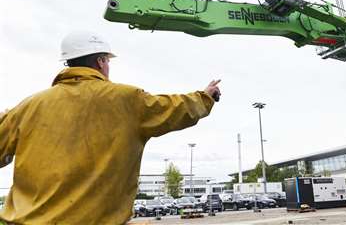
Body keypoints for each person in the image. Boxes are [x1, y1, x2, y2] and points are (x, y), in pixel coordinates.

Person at [0, 31, 221, 224]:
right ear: (100, 62)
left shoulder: (27, 107)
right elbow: (175, 109)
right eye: (107, 61)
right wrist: (205, 97)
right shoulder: (127, 99)